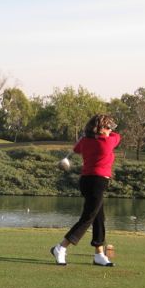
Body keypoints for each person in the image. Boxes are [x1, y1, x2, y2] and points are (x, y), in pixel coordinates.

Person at [51, 114, 120, 267]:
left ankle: (99, 254)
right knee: (88, 218)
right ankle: (60, 247)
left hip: (86, 180)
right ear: (101, 129)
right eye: (107, 128)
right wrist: (97, 133)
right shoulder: (107, 142)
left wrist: (87, 135)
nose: (110, 131)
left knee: (99, 218)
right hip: (98, 181)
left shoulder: (86, 141)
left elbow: (76, 149)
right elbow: (118, 136)